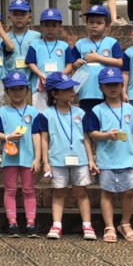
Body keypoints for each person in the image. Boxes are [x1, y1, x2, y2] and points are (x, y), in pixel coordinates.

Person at [34, 74, 95, 240]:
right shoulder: (46, 114)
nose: (72, 92)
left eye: (71, 88)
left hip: (80, 158)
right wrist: (45, 162)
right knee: (59, 192)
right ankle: (56, 225)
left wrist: (91, 159)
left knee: (81, 192)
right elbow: (44, 139)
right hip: (57, 158)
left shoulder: (80, 113)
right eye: (66, 89)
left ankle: (87, 225)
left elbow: (86, 138)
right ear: (55, 94)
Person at [83, 68, 133, 242]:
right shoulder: (98, 110)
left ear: (122, 86)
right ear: (101, 88)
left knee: (129, 191)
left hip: (128, 158)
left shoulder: (130, 109)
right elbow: (92, 133)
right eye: (108, 85)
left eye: (115, 84)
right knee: (107, 192)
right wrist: (106, 136)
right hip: (107, 159)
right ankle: (109, 226)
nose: (112, 88)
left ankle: (125, 223)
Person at [0, 70, 40, 237]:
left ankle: (31, 223)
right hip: (10, 157)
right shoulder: (2, 112)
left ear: (27, 90)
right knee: (10, 189)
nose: (17, 92)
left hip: (28, 157)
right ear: (7, 91)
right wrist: (8, 137)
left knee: (29, 190)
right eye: (13, 89)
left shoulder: (34, 113)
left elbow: (37, 135)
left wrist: (38, 158)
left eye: (21, 88)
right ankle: (12, 223)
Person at [70, 5, 124, 116]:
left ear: (107, 25)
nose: (94, 26)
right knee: (87, 118)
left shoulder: (111, 42)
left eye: (99, 23)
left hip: (107, 88)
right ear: (86, 24)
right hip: (87, 90)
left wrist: (98, 58)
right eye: (91, 22)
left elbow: (120, 62)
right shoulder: (80, 43)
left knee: (107, 116)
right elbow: (72, 64)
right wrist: (76, 64)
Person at [24, 9, 76, 112]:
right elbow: (31, 63)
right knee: (40, 114)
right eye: (47, 25)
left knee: (60, 112)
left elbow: (70, 65)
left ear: (60, 27)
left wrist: (60, 76)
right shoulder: (35, 44)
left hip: (60, 86)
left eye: (54, 25)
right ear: (41, 26)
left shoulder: (64, 46)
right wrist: (40, 74)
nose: (50, 28)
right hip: (40, 86)